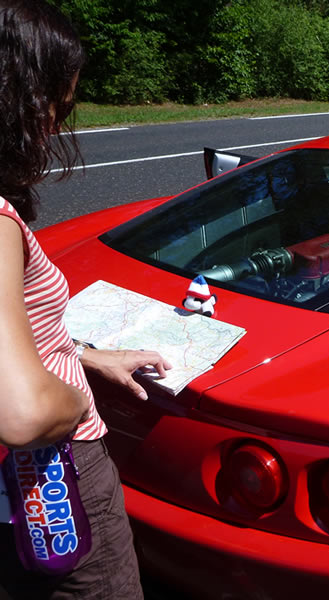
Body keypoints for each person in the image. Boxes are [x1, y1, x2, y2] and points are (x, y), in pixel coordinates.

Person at [0, 1, 171, 598]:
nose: (54, 122)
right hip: (51, 476)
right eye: (54, 102)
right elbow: (21, 413)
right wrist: (74, 398)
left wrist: (89, 356)